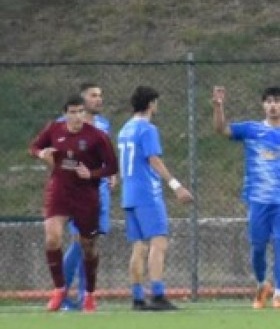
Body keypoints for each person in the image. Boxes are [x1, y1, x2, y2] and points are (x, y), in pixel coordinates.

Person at [212, 85, 280, 309]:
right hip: (257, 201)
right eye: (269, 101)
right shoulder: (251, 130)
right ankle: (262, 285)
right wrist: (218, 106)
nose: (273, 105)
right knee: (257, 249)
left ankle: (279, 293)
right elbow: (222, 129)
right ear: (263, 105)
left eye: (277, 101)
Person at [29, 94, 118, 312]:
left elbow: (112, 167)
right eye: (73, 112)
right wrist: (42, 154)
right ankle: (59, 290)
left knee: (88, 246)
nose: (78, 116)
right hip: (59, 191)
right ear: (65, 114)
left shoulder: (97, 137)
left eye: (81, 112)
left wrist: (92, 173)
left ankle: (89, 294)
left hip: (86, 195)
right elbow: (34, 148)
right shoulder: (54, 130)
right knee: (52, 237)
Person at [117, 86, 195, 311]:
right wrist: (176, 185)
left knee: (139, 246)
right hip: (146, 193)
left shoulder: (124, 129)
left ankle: (138, 297)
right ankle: (158, 295)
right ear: (151, 104)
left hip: (129, 193)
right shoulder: (147, 129)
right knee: (159, 242)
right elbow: (153, 159)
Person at [60, 82, 112, 311]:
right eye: (93, 96)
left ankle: (84, 297)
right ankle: (61, 293)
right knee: (79, 241)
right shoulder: (64, 124)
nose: (98, 99)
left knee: (90, 241)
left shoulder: (103, 124)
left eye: (100, 95)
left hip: (99, 188)